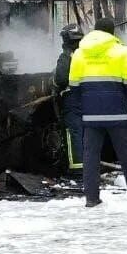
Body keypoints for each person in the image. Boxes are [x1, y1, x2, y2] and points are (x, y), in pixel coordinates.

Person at [68, 17, 127, 208]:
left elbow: (74, 85)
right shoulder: (122, 51)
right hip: (117, 113)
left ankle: (91, 198)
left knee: (90, 156)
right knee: (126, 154)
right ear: (112, 32)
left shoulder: (80, 53)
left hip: (91, 114)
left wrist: (84, 107)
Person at [53, 24, 84, 174]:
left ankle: (78, 168)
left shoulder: (67, 56)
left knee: (74, 132)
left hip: (73, 98)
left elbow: (60, 79)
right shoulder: (87, 54)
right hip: (89, 96)